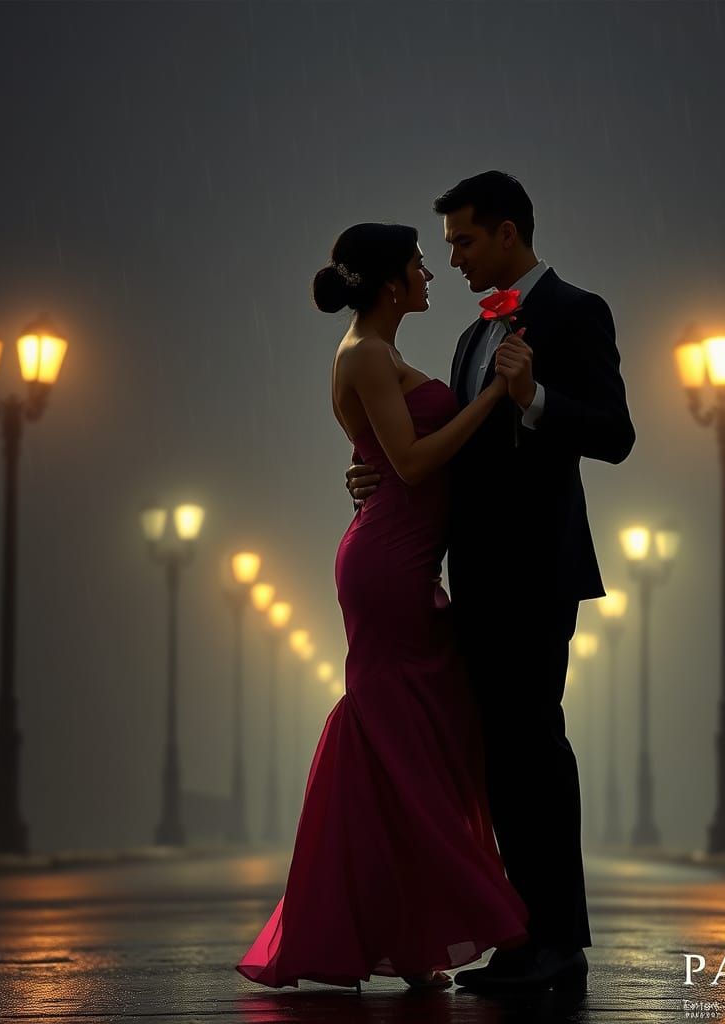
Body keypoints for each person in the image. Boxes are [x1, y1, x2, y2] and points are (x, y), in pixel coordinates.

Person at [346, 171, 636, 991]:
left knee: (534, 747)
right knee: (496, 759)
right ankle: (517, 934)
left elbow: (615, 433)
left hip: (537, 573)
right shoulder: (474, 335)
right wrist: (376, 474)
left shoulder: (577, 312)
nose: (455, 260)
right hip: (471, 576)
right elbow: (448, 452)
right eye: (446, 249)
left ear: (508, 234)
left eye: (464, 242)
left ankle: (561, 942)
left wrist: (535, 395)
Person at [235, 222, 532, 991]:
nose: (432, 275)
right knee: (405, 737)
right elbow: (411, 458)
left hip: (403, 557)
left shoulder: (383, 354)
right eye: (420, 266)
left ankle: (406, 930)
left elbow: (383, 456)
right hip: (388, 567)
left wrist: (372, 469)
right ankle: (424, 919)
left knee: (407, 736)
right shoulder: (366, 354)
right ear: (391, 284)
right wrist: (497, 395)